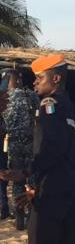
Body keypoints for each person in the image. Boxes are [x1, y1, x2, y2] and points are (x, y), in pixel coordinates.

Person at [0, 54, 75, 244]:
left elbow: (53, 147)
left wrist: (27, 172)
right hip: (72, 190)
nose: (34, 82)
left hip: (52, 193)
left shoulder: (49, 105)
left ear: (55, 79)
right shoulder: (72, 109)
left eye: (40, 78)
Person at [1, 68, 39, 230]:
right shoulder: (31, 95)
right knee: (30, 177)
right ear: (18, 79)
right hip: (30, 142)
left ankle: (19, 218)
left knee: (16, 179)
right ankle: (32, 214)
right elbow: (38, 117)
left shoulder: (3, 99)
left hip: (13, 143)